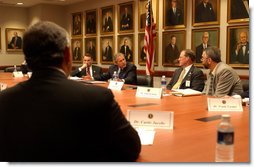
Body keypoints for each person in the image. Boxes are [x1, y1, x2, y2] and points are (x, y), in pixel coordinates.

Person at [0, 21, 141, 161]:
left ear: (26, 58)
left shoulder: (4, 100)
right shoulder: (97, 97)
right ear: (67, 54)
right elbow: (131, 148)